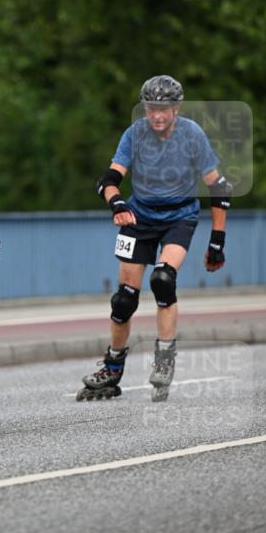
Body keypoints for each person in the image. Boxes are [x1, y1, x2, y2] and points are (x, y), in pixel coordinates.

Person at [78, 74, 231, 402]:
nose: (157, 116)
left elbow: (219, 187)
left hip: (179, 216)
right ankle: (112, 368)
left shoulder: (192, 135)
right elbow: (109, 178)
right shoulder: (135, 134)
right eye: (150, 108)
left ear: (176, 108)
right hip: (139, 216)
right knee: (123, 299)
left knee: (163, 280)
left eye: (164, 109)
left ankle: (164, 360)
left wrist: (217, 240)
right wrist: (116, 202)